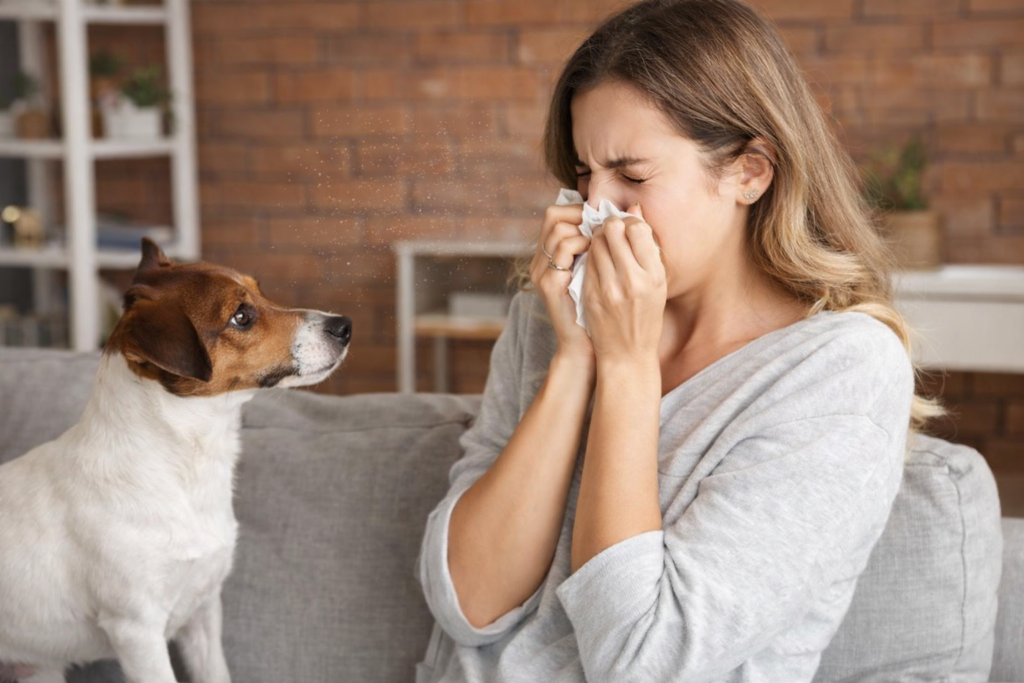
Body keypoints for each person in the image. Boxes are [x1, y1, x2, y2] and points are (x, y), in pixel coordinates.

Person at [415, 1, 940, 681]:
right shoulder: (548, 321)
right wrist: (578, 358)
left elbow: (641, 663)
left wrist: (628, 368)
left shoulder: (842, 370)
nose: (593, 211)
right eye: (581, 174)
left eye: (631, 176)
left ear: (750, 172)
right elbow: (467, 605)